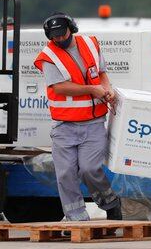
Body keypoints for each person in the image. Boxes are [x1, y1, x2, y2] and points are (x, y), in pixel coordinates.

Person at [34, 12, 122, 222]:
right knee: (65, 174)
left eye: (62, 34)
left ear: (71, 28)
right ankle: (77, 218)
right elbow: (60, 87)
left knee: (90, 169)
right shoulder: (48, 56)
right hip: (64, 126)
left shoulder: (91, 44)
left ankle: (110, 202)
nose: (59, 39)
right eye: (54, 36)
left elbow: (101, 73)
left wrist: (106, 89)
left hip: (93, 124)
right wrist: (93, 90)